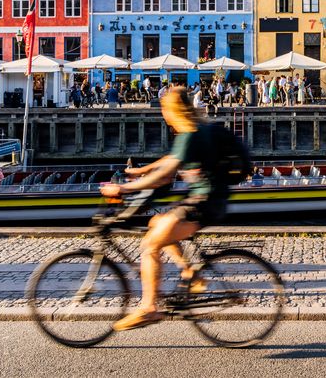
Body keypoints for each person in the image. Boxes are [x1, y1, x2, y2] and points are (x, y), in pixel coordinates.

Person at [100, 88, 237, 332]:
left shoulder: (189, 135)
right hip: (205, 200)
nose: (162, 113)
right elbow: (170, 160)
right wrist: (141, 172)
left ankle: (150, 308)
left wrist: (123, 188)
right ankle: (190, 273)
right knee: (157, 223)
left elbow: (165, 174)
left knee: (150, 246)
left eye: (163, 109)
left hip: (203, 204)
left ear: (171, 111)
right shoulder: (196, 129)